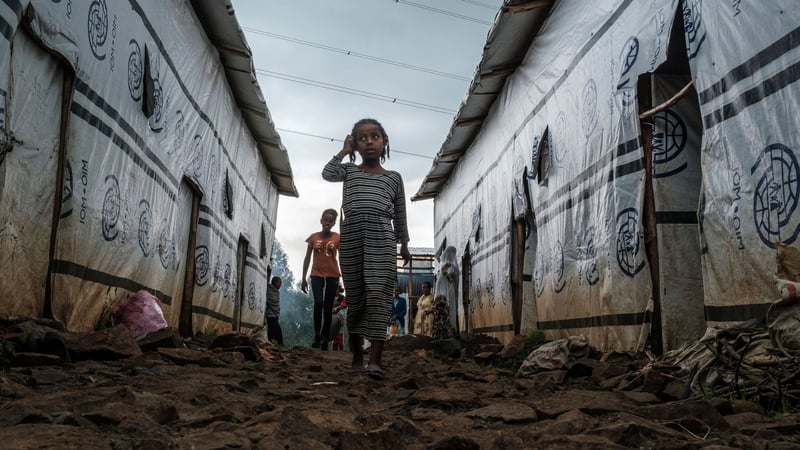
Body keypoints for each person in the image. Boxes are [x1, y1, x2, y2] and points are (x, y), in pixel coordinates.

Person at [322, 118, 411, 380]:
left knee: (379, 297)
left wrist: (404, 244)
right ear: (355, 145)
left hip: (382, 237)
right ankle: (357, 356)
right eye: (362, 138)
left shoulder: (394, 178)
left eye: (375, 136)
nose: (369, 142)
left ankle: (375, 360)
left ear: (385, 142)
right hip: (351, 238)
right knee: (358, 298)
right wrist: (342, 152)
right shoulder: (348, 172)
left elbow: (400, 214)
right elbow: (327, 173)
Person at [301, 208, 341, 350]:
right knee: (318, 302)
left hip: (332, 274)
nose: (327, 223)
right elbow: (307, 258)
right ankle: (317, 335)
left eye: (331, 221)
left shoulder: (337, 237)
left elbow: (342, 257)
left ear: (334, 223)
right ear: (321, 221)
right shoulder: (313, 237)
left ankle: (325, 339)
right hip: (316, 273)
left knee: (328, 307)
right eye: (325, 220)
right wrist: (303, 277)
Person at [265, 276, 283, 345]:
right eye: (279, 282)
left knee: (271, 331)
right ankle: (281, 344)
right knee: (278, 330)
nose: (280, 284)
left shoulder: (277, 292)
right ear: (275, 282)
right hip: (269, 313)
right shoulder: (268, 289)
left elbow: (276, 303)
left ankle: (268, 341)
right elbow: (269, 300)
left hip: (275, 313)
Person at [331, 286, 347, 351]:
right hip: (333, 317)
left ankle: (341, 352)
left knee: (340, 334)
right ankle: (334, 353)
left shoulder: (342, 297)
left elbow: (344, 305)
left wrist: (338, 308)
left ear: (339, 289)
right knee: (334, 335)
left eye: (336, 289)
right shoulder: (331, 297)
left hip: (341, 317)